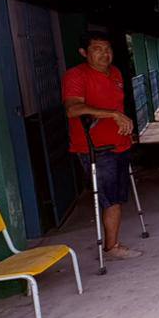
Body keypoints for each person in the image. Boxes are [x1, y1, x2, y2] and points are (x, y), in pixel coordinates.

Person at [62, 32, 141, 261]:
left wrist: (126, 128)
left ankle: (112, 243)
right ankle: (112, 247)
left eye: (107, 48)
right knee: (110, 199)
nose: (104, 53)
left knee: (118, 196)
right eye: (97, 49)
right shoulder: (75, 76)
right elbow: (72, 109)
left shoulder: (115, 73)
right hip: (95, 148)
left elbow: (118, 104)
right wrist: (113, 115)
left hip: (120, 143)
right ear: (84, 53)